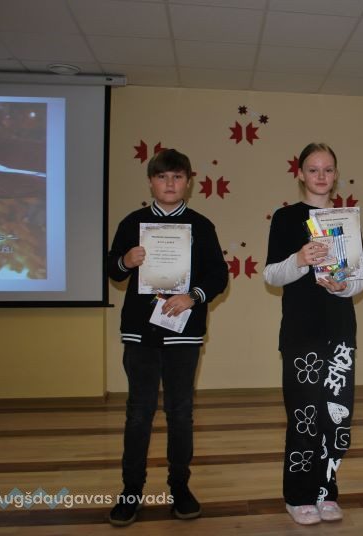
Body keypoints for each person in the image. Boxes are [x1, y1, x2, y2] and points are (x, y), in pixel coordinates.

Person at [106, 149, 229, 527]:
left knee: (180, 413)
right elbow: (113, 269)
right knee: (138, 413)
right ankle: (131, 490)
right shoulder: (133, 223)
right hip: (140, 332)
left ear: (188, 182)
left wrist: (193, 296)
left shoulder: (201, 226)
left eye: (177, 177)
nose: (170, 184)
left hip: (183, 333)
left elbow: (218, 276)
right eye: (162, 177)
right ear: (151, 182)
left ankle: (180, 488)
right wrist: (126, 261)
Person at [263, 142, 363, 526]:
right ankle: (298, 495)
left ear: (335, 175)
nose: (320, 176)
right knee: (305, 418)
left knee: (336, 420)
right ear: (301, 174)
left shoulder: (346, 218)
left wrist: (344, 286)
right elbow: (271, 275)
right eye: (313, 169)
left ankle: (326, 492)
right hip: (301, 334)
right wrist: (299, 259)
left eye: (327, 169)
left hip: (340, 332)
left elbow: (361, 277)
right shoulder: (286, 218)